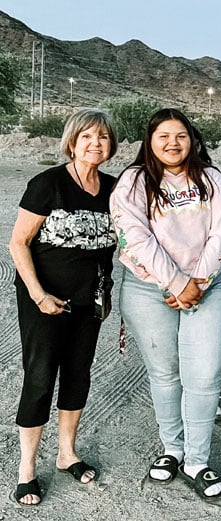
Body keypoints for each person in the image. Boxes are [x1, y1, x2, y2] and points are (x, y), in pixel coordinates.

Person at [110, 108, 221, 501]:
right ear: (149, 140)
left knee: (204, 374)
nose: (172, 143)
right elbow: (135, 236)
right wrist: (178, 282)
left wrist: (198, 281)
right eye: (163, 135)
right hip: (150, 290)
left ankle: (197, 460)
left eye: (180, 135)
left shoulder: (212, 179)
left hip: (207, 286)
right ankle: (173, 449)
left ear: (192, 139)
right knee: (165, 374)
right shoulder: (133, 182)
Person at [8, 109, 118, 506]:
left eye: (103, 137)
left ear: (112, 145)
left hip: (90, 301)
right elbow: (18, 243)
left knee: (78, 375)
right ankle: (27, 468)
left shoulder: (113, 188)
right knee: (39, 377)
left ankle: (66, 452)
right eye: (87, 136)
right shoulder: (47, 183)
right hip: (45, 298)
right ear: (72, 142)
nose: (95, 144)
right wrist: (38, 294)